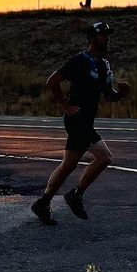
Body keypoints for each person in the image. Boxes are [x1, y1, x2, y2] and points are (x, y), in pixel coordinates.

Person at [30, 21, 127, 225]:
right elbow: (52, 81)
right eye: (103, 35)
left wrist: (122, 94)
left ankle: (43, 203)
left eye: (108, 35)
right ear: (92, 38)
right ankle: (75, 195)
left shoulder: (103, 65)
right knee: (104, 157)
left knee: (69, 165)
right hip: (77, 120)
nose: (106, 39)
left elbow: (109, 95)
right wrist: (65, 106)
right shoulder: (80, 61)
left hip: (86, 121)